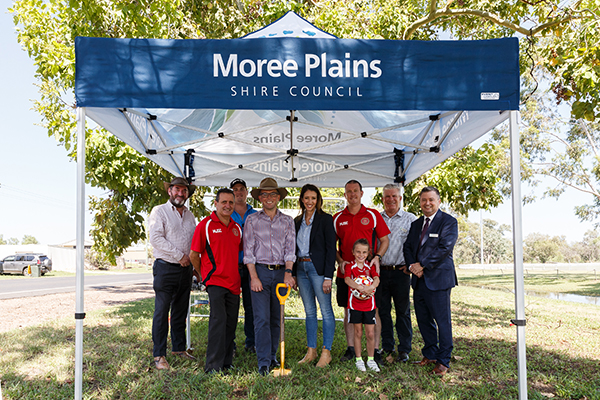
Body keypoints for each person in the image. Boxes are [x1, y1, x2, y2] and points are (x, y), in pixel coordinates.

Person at [243, 177, 296, 376]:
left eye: (272, 194)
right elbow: (248, 252)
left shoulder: (287, 221)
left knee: (277, 318)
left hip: (281, 272)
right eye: (264, 194)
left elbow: (290, 249)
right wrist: (254, 277)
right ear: (260, 198)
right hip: (260, 272)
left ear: (278, 197)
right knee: (261, 319)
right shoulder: (252, 220)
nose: (268, 198)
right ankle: (263, 362)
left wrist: (289, 273)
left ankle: (274, 357)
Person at [404, 186, 458, 377]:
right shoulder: (416, 224)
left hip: (439, 280)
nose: (427, 203)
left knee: (442, 322)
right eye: (424, 200)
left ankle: (444, 361)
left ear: (438, 201)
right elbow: (408, 246)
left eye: (431, 200)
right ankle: (430, 354)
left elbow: (444, 248)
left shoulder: (448, 222)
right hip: (418, 280)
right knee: (424, 320)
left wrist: (422, 265)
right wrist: (412, 266)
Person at [334, 180, 390, 364]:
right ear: (345, 195)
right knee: (349, 311)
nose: (352, 194)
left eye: (355, 191)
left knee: (375, 310)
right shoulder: (337, 217)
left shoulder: (373, 215)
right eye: (348, 192)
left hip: (369, 276)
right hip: (346, 275)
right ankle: (351, 349)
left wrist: (378, 258)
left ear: (361, 193)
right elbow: (331, 245)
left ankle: (376, 350)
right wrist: (340, 261)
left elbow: (385, 240)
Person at [190, 188, 242, 374]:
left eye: (231, 202)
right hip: (216, 282)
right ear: (216, 203)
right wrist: (204, 276)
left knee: (230, 324)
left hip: (235, 285)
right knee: (218, 322)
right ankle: (213, 366)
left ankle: (227, 362)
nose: (227, 206)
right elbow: (193, 255)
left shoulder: (237, 228)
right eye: (224, 202)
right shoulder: (205, 225)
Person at [148, 177, 197, 370]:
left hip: (185, 270)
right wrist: (179, 256)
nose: (180, 193)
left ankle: (178, 348)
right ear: (170, 191)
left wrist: (194, 265)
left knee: (180, 311)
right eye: (177, 189)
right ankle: (159, 355)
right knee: (161, 312)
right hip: (165, 268)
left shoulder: (190, 215)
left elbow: (194, 243)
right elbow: (156, 238)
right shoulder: (159, 211)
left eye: (184, 191)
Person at [294, 184, 336, 368]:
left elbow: (330, 249)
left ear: (318, 200)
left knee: (326, 310)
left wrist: (328, 276)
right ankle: (311, 351)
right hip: (300, 268)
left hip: (318, 270)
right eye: (306, 198)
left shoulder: (326, 219)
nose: (309, 201)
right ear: (302, 200)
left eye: (313, 198)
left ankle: (326, 352)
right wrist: (293, 274)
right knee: (309, 311)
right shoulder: (296, 221)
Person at [378, 184, 417, 363]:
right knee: (383, 311)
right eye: (387, 196)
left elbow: (418, 245)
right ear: (383, 199)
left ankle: (404, 349)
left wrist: (411, 265)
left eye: (394, 196)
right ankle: (387, 346)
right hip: (381, 272)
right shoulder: (376, 218)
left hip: (401, 273)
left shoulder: (410, 219)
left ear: (400, 198)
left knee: (403, 312)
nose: (390, 199)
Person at [230, 178, 258, 353]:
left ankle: (251, 342)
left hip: (251, 268)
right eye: (235, 190)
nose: (238, 192)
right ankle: (229, 343)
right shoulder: (225, 212)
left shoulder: (255, 214)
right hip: (231, 267)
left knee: (251, 306)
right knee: (231, 306)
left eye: (241, 189)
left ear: (246, 192)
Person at [344, 238, 380, 372]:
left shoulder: (370, 266)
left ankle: (371, 359)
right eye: (358, 251)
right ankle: (359, 359)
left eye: (364, 252)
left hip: (369, 305)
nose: (361, 255)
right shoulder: (350, 266)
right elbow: (347, 279)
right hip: (355, 305)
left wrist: (371, 287)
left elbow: (376, 278)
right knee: (358, 332)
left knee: (370, 333)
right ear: (353, 252)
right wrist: (359, 287)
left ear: (368, 253)